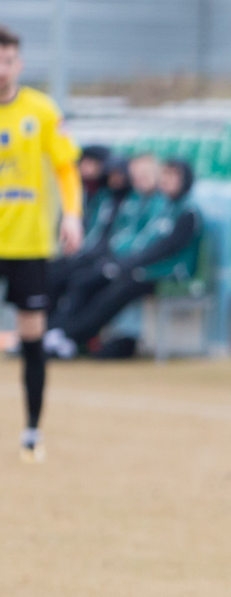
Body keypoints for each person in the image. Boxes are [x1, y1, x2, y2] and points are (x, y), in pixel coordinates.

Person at [0, 24, 82, 463]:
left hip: (29, 244)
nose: (1, 69)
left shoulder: (42, 111)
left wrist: (71, 214)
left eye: (7, 60)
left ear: (19, 64)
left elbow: (66, 169)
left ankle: (32, 430)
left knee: (32, 337)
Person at [46, 159, 201, 356]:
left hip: (168, 274)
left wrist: (127, 264)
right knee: (87, 279)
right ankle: (59, 332)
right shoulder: (164, 207)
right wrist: (123, 263)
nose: (168, 180)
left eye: (174, 176)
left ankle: (71, 336)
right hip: (140, 268)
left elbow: (167, 249)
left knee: (117, 287)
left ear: (185, 180)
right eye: (166, 175)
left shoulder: (188, 212)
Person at [47, 152, 159, 346]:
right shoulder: (122, 200)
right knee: (58, 274)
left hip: (140, 269)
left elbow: (154, 245)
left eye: (145, 174)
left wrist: (119, 264)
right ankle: (52, 333)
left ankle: (69, 337)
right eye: (137, 174)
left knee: (88, 284)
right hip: (117, 261)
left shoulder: (157, 204)